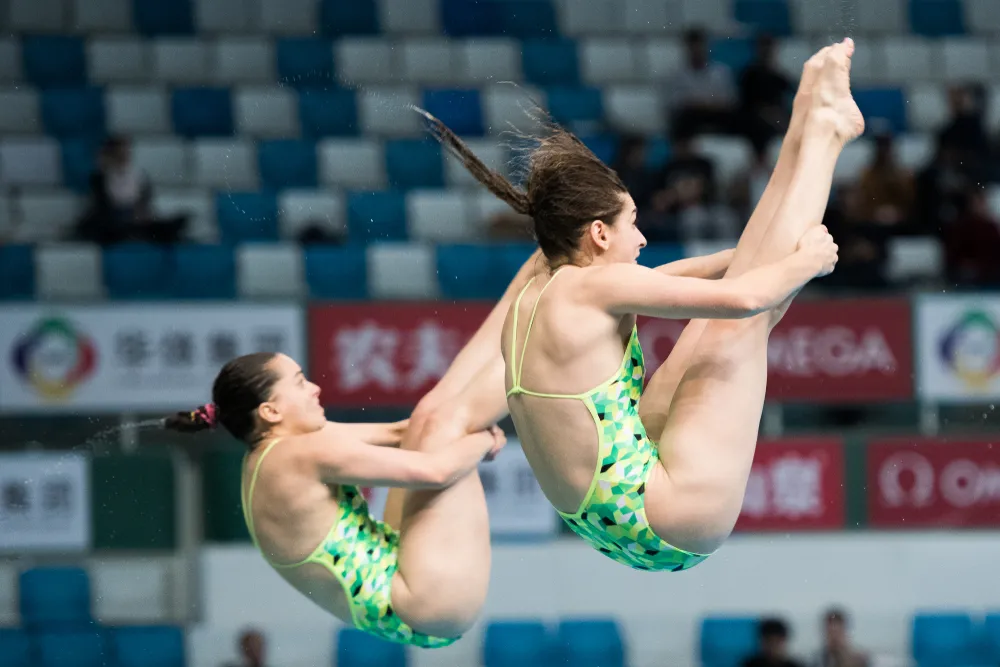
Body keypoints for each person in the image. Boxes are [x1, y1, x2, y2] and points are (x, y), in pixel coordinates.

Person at [402, 39, 863, 570]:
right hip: (668, 515)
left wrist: (747, 256)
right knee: (748, 318)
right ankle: (825, 134)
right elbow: (745, 299)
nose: (642, 238)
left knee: (737, 299)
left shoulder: (538, 293)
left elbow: (662, 282)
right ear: (599, 233)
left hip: (615, 520)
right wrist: (806, 262)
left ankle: (806, 121)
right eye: (633, 224)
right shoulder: (590, 289)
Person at [164, 352, 505, 647]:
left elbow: (399, 431)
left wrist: (472, 433)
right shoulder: (296, 454)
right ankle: (531, 344)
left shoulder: (272, 454)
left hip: (406, 591)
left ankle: (519, 307)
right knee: (447, 424)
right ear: (271, 411)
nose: (315, 388)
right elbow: (437, 471)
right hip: (425, 605)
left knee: (432, 417)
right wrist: (483, 440)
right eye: (300, 383)